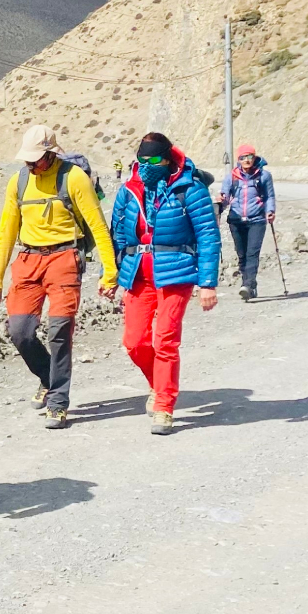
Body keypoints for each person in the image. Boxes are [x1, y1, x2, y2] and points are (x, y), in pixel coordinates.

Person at [0, 124, 119, 429]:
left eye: (35, 159)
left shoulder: (74, 178)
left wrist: (109, 273)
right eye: (27, 160)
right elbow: (6, 232)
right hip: (28, 260)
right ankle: (47, 377)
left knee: (59, 331)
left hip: (64, 259)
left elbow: (98, 226)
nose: (30, 165)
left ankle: (58, 401)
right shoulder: (17, 182)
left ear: (51, 153)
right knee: (20, 331)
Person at [110, 132, 222, 434]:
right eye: (141, 160)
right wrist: (112, 273)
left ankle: (164, 405)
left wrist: (207, 282)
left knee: (166, 340)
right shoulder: (129, 189)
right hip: (138, 274)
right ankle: (158, 384)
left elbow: (208, 236)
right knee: (133, 343)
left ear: (168, 157)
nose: (147, 165)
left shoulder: (191, 188)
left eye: (154, 159)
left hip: (176, 273)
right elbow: (117, 232)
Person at [217, 142, 276, 300]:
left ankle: (248, 285)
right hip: (236, 220)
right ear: (239, 159)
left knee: (252, 253)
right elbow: (225, 197)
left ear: (254, 157)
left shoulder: (264, 176)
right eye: (243, 157)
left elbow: (269, 196)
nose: (247, 160)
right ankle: (249, 284)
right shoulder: (232, 176)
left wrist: (270, 211)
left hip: (257, 219)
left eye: (250, 156)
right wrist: (220, 203)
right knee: (241, 254)